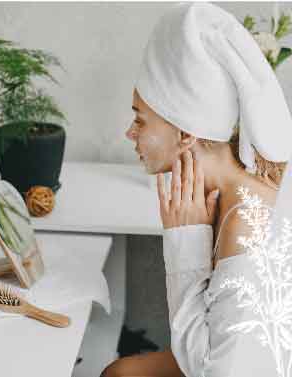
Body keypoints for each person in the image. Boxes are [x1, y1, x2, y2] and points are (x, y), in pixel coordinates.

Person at [100, 3, 292, 377]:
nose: (130, 133)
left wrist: (185, 245)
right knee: (119, 372)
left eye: (140, 118)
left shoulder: (244, 223)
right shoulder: (232, 184)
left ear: (186, 132)